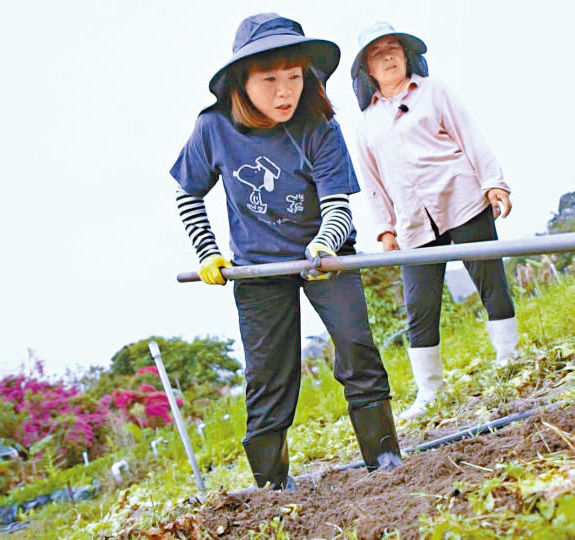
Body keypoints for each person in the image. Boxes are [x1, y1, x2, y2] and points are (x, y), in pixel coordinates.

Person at [169, 13, 402, 490]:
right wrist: (208, 251)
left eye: (294, 77)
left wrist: (322, 245)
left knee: (357, 346)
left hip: (326, 255)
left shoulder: (320, 126)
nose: (285, 92)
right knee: (269, 373)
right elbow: (188, 194)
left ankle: (384, 458)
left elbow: (338, 207)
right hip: (257, 268)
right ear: (242, 81)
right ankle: (273, 485)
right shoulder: (213, 128)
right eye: (269, 79)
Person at [352, 22, 519, 421]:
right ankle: (430, 391)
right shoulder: (367, 124)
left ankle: (509, 361)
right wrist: (385, 228)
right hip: (412, 222)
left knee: (489, 279)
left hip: (462, 199)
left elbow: (470, 136)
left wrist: (494, 182)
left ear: (408, 56)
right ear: (368, 69)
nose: (389, 57)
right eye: (378, 54)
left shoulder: (435, 92)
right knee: (419, 306)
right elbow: (373, 183)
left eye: (394, 49)